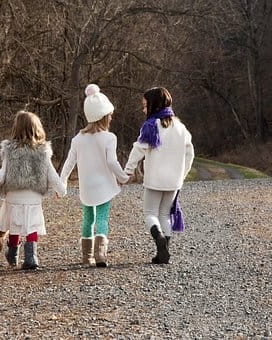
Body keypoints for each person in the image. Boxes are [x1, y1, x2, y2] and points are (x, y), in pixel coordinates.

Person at [0, 110, 65, 270]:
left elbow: (1, 177)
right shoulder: (43, 152)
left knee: (14, 225)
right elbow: (52, 175)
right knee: (31, 226)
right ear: (37, 129)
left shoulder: (10, 152)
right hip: (33, 198)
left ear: (16, 129)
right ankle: (31, 257)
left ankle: (13, 254)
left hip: (13, 197)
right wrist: (61, 190)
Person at [60, 84, 130, 267]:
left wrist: (62, 183)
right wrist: (123, 177)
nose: (111, 117)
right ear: (104, 116)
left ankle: (86, 256)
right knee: (101, 218)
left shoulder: (78, 139)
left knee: (88, 219)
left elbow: (69, 163)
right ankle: (100, 254)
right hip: (104, 187)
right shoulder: (109, 138)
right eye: (109, 115)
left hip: (86, 188)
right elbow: (112, 162)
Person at [124, 87, 194, 264]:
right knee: (164, 214)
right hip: (174, 181)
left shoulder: (150, 126)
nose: (143, 110)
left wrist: (128, 170)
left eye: (145, 106)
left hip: (154, 179)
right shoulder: (181, 127)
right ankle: (164, 252)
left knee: (149, 213)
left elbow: (138, 149)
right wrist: (182, 174)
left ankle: (159, 239)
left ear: (154, 105)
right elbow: (190, 153)